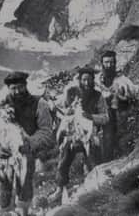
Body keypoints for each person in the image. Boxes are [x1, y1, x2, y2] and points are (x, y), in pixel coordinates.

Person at [0, 71, 54, 216]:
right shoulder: (0, 104)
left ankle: (24, 212)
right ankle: (5, 212)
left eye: (20, 87)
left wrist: (30, 143)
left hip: (25, 153)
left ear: (26, 85)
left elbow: (46, 132)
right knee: (3, 191)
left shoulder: (39, 104)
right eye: (13, 88)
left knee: (24, 189)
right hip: (1, 156)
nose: (17, 91)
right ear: (8, 89)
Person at [49, 66, 109, 204]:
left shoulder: (98, 96)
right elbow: (59, 105)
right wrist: (55, 107)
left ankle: (94, 187)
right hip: (72, 135)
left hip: (90, 134)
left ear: (93, 80)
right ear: (80, 81)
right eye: (84, 80)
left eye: (89, 80)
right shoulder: (72, 93)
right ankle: (60, 188)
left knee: (93, 159)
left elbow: (106, 118)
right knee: (63, 160)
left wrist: (90, 116)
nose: (87, 83)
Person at [97, 50, 138, 162]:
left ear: (115, 63)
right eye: (106, 62)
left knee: (114, 137)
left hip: (120, 113)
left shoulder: (123, 80)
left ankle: (113, 161)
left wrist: (120, 95)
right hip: (102, 115)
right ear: (102, 64)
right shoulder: (97, 80)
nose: (109, 65)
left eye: (111, 62)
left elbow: (133, 94)